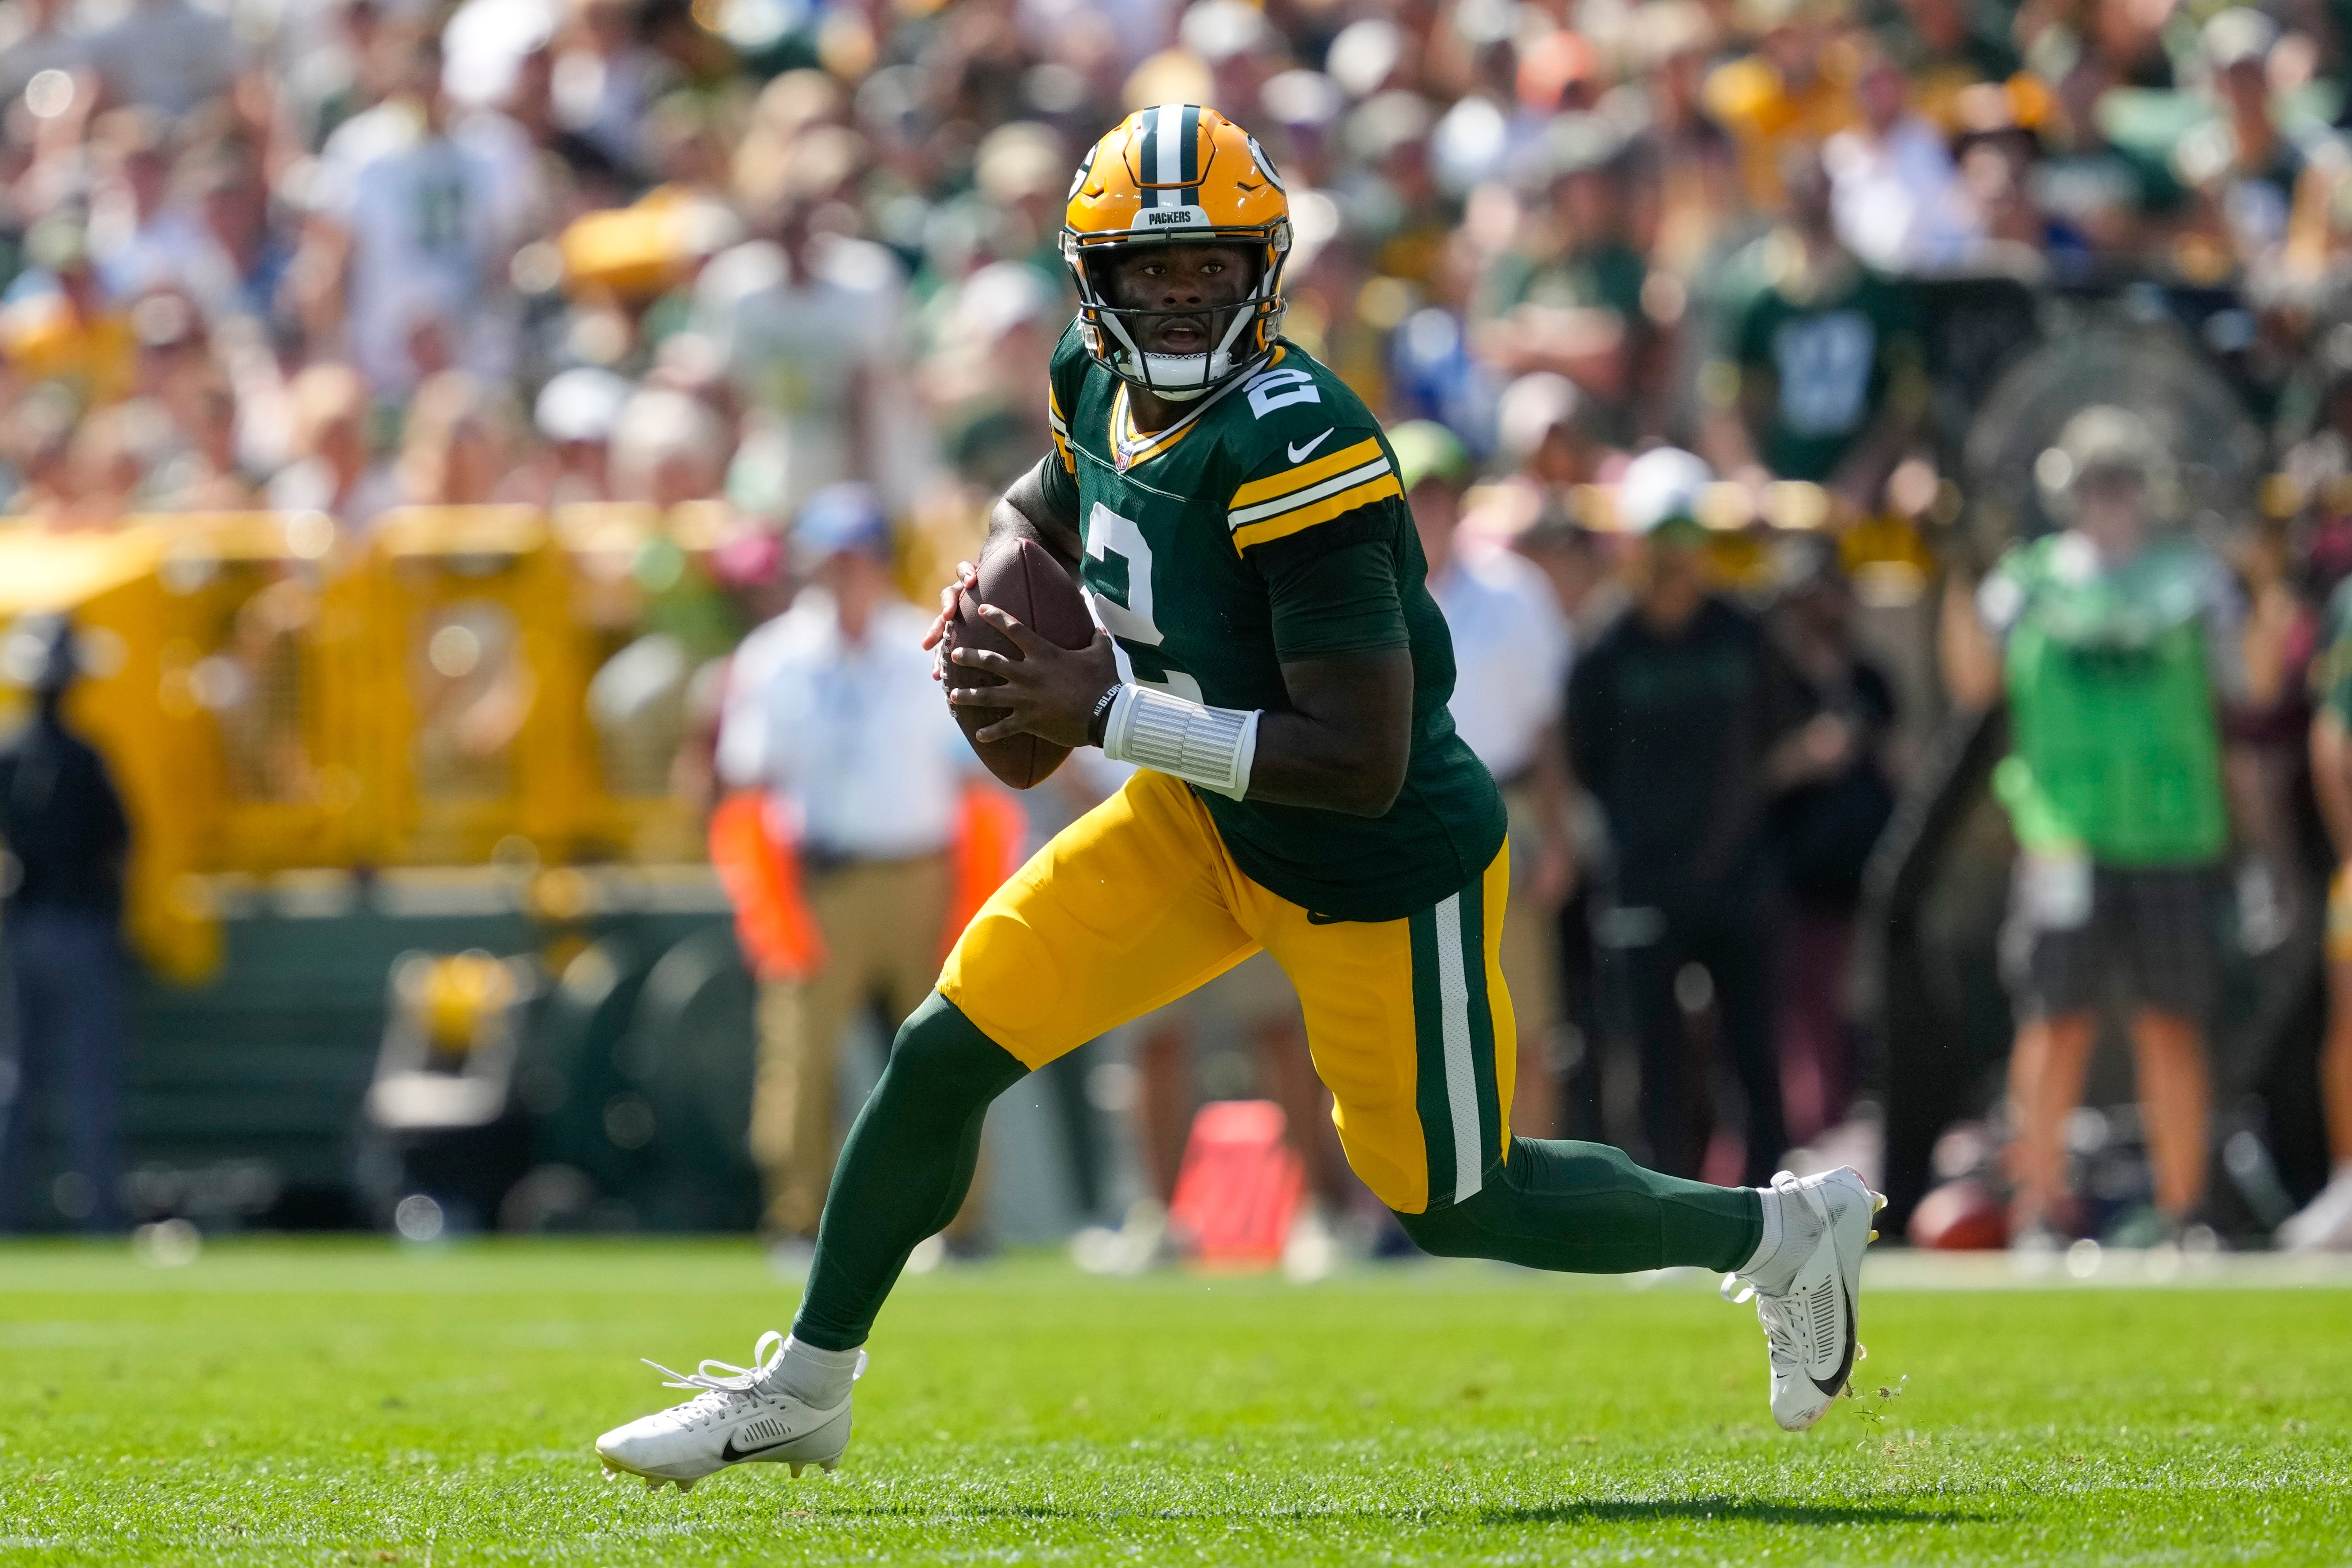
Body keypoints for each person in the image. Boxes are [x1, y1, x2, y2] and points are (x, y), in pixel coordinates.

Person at [595, 105, 1880, 1488]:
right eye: (1149, 273)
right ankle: (807, 1384)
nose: (1179, 295)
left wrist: (1102, 711)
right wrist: (989, 586)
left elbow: (1361, 753)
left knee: (1456, 1201)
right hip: (1202, 817)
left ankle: (1782, 1232)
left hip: (1375, 858)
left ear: (1262, 268)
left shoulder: (1296, 441)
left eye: (1207, 267)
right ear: (1096, 282)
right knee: (948, 1042)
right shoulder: (1093, 383)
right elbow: (1042, 502)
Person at [1964, 407, 2237, 1247]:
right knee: (2053, 1020)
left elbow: (2248, 683)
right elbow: (1973, 684)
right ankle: (2039, 1208)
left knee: (2172, 1021)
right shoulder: (2023, 581)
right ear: (2066, 492)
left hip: (2170, 830)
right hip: (2063, 834)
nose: (2109, 497)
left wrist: (2265, 571)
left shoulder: (2197, 578)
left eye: (2123, 479)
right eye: (2093, 481)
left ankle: (2184, 1211)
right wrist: (1951, 560)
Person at [713, 483, 982, 1259]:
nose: (842, 577)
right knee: (798, 1059)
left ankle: (959, 1223)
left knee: (949, 1052)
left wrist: (970, 889)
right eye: (828, 562)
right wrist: (768, 902)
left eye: (855, 560)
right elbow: (748, 788)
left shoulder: (926, 644)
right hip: (818, 879)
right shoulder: (774, 658)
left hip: (921, 874)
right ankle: (796, 1220)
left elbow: (971, 784)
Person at [1567, 447, 1802, 1187]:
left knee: (1755, 1055)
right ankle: (1663, 1208)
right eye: (1657, 539)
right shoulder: (1603, 647)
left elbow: (1778, 735)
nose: (1672, 559)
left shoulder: (1743, 633)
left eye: (1685, 538)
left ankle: (1773, 1209)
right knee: (1650, 1057)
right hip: (1640, 880)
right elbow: (1583, 758)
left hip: (1737, 877)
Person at [1393, 419, 1577, 1137]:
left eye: (1440, 495)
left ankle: (1536, 1181)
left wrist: (1559, 840)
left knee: (1522, 1017)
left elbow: (1547, 730)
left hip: (1505, 811)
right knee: (1409, 1024)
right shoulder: (1365, 596)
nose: (1429, 512)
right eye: (1416, 497)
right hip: (1402, 818)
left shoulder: (1515, 591)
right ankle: (1409, 1202)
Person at [0, 616, 131, 1232]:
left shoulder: (9, 754)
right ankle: (97, 1210)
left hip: (24, 928)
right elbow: (123, 840)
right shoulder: (85, 758)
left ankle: (9, 1209)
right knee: (88, 1075)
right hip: (78, 927)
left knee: (20, 1075)